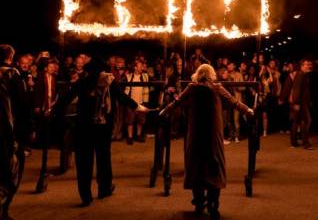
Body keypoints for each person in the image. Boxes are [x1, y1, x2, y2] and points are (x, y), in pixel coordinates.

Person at [160, 64, 253, 218]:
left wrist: (164, 111)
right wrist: (248, 110)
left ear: (198, 74)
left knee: (196, 166)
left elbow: (176, 103)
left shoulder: (192, 88)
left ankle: (198, 202)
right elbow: (234, 102)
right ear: (211, 75)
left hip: (196, 135)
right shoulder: (217, 88)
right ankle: (213, 203)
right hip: (212, 136)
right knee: (214, 166)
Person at [54, 61, 148, 206]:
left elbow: (65, 99)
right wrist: (137, 106)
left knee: (84, 162)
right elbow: (122, 97)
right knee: (103, 159)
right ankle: (104, 189)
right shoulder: (110, 82)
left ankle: (86, 196)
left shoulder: (83, 82)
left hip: (84, 127)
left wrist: (59, 116)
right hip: (102, 128)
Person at [0, 45, 25, 220]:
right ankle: (4, 209)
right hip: (7, 132)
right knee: (12, 171)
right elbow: (21, 104)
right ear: (10, 57)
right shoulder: (11, 75)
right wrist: (29, 127)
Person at [289, 59, 313, 149]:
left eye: (309, 64)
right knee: (307, 121)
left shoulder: (303, 75)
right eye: (306, 64)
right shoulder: (300, 75)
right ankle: (305, 143)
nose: (309, 66)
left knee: (296, 121)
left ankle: (294, 142)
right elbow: (296, 89)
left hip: (301, 102)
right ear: (302, 66)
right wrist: (296, 103)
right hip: (301, 103)